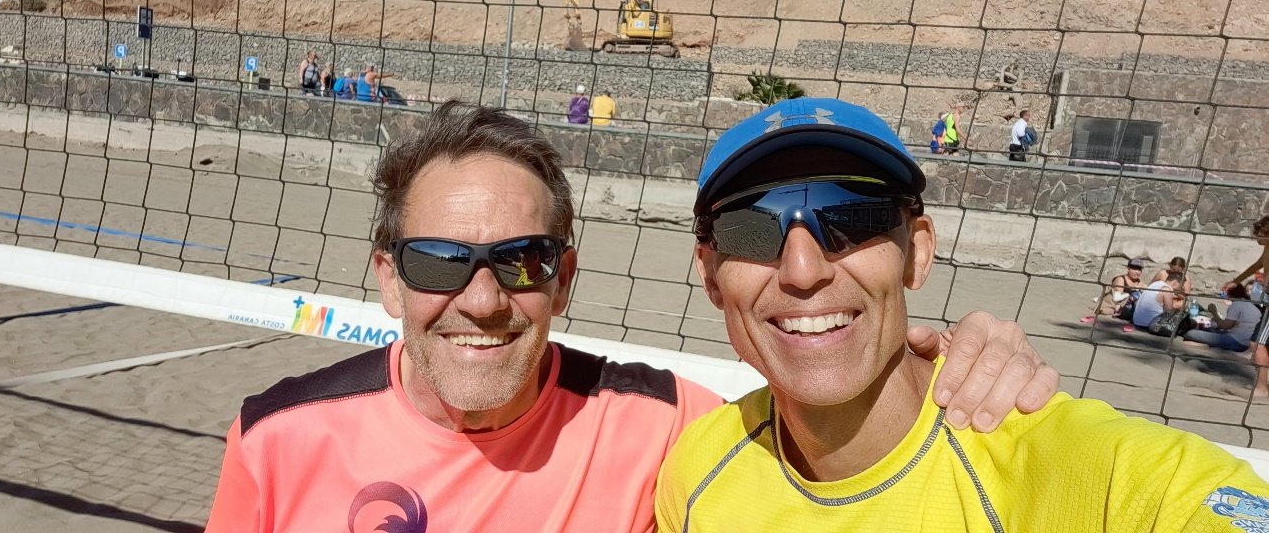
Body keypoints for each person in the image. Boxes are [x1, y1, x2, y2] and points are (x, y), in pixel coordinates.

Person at [204, 101, 1061, 532]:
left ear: (565, 280)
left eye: (523, 259)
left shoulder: (668, 428)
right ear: (390, 280)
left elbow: (832, 408)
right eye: (438, 261)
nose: (482, 300)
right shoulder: (276, 440)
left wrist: (965, 357)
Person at [654, 97, 1269, 532]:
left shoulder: (1094, 472)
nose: (803, 269)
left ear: (917, 254)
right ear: (710, 276)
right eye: (750, 230)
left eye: (852, 217)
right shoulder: (697, 470)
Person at [1231, 215, 1269, 398]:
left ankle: (1262, 388)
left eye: (1259, 232)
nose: (1256, 236)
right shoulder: (1267, 249)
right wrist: (1236, 281)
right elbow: (1256, 265)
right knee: (1257, 343)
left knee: (1259, 344)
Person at [1182, 282, 1257, 353]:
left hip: (1236, 342)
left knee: (1190, 333)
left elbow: (1224, 326)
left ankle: (1208, 346)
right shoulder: (1248, 304)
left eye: (1225, 293)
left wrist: (1214, 312)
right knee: (1211, 326)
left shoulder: (1237, 305)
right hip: (1241, 339)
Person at [1080, 258, 1147, 331]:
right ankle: (1135, 322)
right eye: (1134, 268)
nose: (1136, 272)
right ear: (1128, 268)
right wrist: (1135, 291)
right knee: (1137, 295)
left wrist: (1143, 289)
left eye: (1139, 269)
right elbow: (1117, 298)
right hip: (1119, 309)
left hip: (1132, 309)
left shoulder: (1140, 282)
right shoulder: (1121, 279)